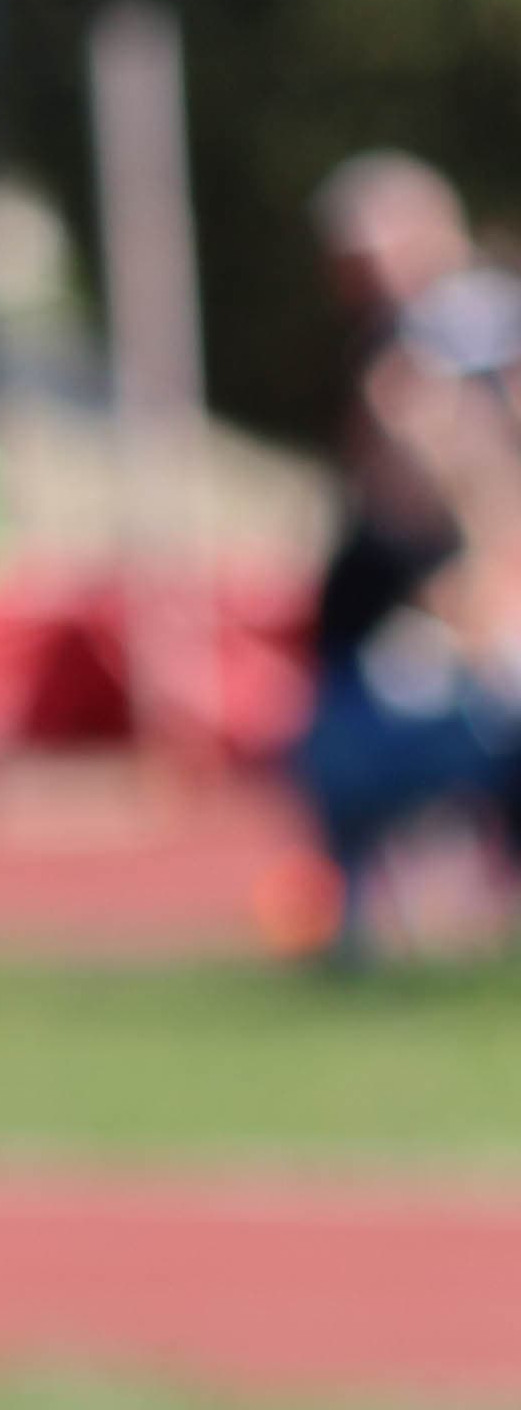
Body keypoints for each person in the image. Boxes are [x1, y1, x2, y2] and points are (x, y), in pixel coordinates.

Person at [292, 151, 521, 960]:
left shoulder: (463, 334)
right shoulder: (394, 344)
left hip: (473, 600)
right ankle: (371, 913)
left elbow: (464, 475)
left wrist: (483, 573)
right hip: (410, 610)